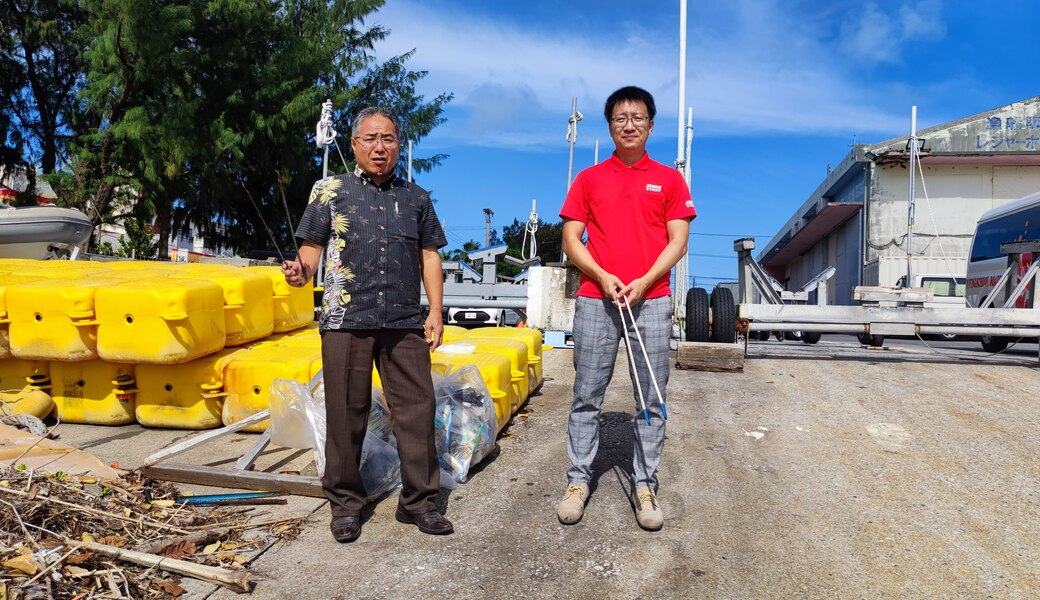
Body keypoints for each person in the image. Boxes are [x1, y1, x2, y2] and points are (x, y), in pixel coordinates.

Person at [282, 106, 453, 543]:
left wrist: (435, 311)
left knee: (418, 410)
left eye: (388, 139)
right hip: (346, 319)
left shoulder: (417, 198)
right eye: (371, 139)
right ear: (355, 144)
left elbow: (430, 255)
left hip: (403, 319)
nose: (380, 147)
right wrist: (301, 272)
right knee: (346, 413)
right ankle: (345, 505)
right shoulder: (329, 190)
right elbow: (311, 249)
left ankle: (419, 503)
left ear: (399, 145)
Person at [556, 86, 696, 531]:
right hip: (596, 300)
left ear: (650, 125)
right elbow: (571, 239)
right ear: (610, 125)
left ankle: (645, 485)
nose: (629, 125)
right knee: (586, 395)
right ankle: (578, 481)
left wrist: (646, 280)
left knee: (651, 398)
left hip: (651, 301)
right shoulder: (589, 179)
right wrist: (601, 275)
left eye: (637, 117)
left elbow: (678, 240)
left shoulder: (670, 180)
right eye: (620, 118)